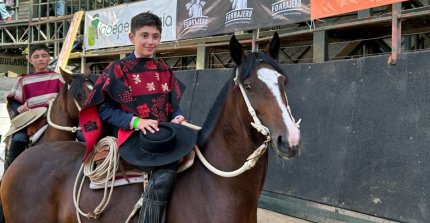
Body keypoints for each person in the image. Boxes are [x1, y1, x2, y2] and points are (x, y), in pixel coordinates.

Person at [79, 12, 196, 223]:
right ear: (132, 37)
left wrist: (177, 116)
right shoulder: (117, 69)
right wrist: (136, 122)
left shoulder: (164, 69)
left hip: (163, 134)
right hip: (131, 136)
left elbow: (173, 107)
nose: (151, 41)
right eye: (145, 35)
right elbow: (103, 110)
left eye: (155, 36)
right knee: (167, 168)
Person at [5, 44, 64, 171]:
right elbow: (14, 102)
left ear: (49, 58)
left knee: (81, 136)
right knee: (18, 139)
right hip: (31, 121)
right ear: (30, 60)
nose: (41, 59)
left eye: (44, 56)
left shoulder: (58, 77)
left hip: (54, 119)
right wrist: (19, 109)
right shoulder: (23, 80)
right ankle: (9, 173)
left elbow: (66, 99)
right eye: (36, 57)